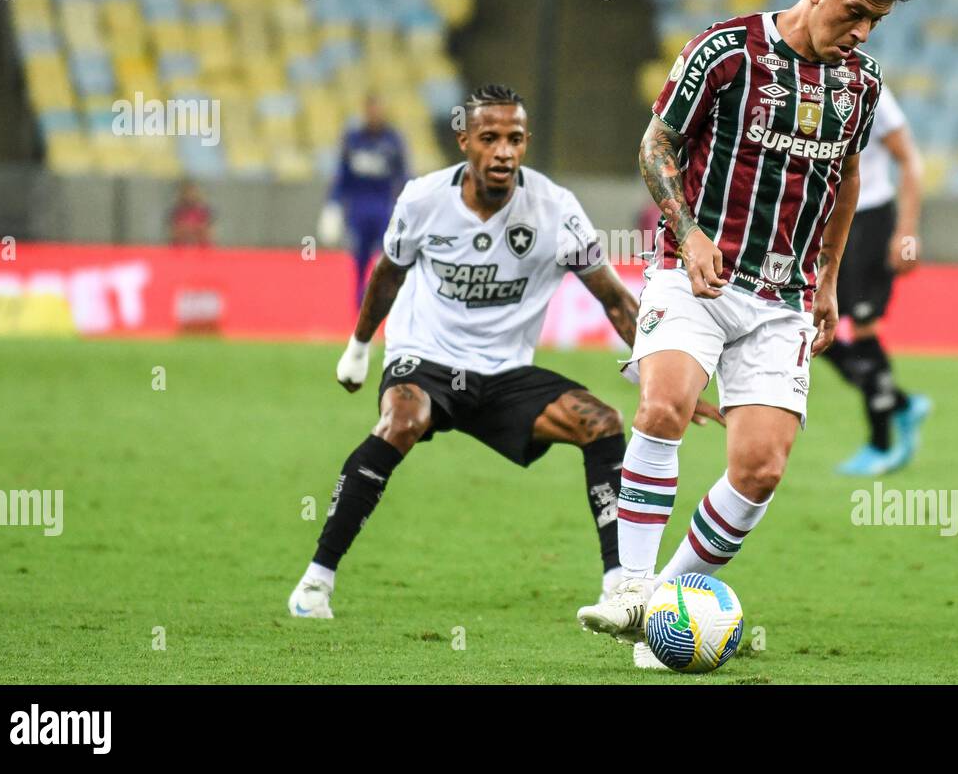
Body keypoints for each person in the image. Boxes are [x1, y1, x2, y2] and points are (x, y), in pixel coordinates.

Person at [576, 0, 904, 668]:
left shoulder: (862, 85)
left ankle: (664, 607)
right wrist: (688, 232)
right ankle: (627, 585)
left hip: (784, 296)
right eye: (853, 12)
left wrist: (825, 280)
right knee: (663, 404)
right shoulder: (726, 52)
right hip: (697, 274)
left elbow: (845, 179)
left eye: (875, 23)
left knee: (760, 468)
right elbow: (656, 144)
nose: (860, 33)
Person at [288, 84, 721, 619]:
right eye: (489, 138)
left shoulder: (556, 210)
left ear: (526, 142)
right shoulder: (422, 199)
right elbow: (387, 275)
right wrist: (357, 348)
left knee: (602, 421)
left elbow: (614, 301)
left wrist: (662, 380)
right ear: (464, 140)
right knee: (403, 419)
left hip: (505, 374)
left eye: (514, 139)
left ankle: (617, 585)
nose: (503, 151)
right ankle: (315, 581)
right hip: (425, 359)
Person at [823, 86, 932, 476]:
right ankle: (900, 403)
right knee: (813, 326)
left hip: (869, 219)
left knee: (864, 326)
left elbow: (910, 160)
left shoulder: (868, 90)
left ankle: (880, 443)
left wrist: (906, 231)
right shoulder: (795, 80)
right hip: (822, 221)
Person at [319, 94, 411, 306]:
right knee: (359, 255)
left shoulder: (392, 139)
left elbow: (403, 175)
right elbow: (342, 175)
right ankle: (359, 300)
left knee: (386, 254)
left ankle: (382, 297)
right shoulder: (353, 139)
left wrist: (408, 205)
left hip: (382, 205)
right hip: (358, 205)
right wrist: (332, 205)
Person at [169, 180, 213, 246]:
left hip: (201, 249)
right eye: (187, 193)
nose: (190, 195)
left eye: (193, 193)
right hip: (179, 249)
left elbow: (207, 231)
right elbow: (174, 231)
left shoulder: (203, 212)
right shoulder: (177, 212)